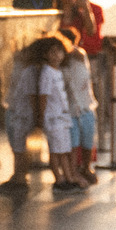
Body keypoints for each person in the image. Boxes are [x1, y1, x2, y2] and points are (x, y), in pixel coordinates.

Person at [0, 39, 45, 191]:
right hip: (14, 110)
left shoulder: (30, 72)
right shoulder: (19, 65)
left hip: (22, 114)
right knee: (16, 147)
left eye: (26, 51)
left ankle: (20, 177)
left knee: (19, 148)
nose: (21, 53)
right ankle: (18, 175)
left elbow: (32, 96)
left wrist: (37, 116)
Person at [37, 35, 86, 189]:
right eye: (53, 52)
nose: (57, 55)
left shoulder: (57, 72)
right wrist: (41, 116)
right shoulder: (47, 73)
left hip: (62, 117)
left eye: (59, 52)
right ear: (45, 55)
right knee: (55, 151)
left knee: (64, 150)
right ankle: (58, 178)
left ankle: (68, 177)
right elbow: (43, 97)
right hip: (53, 118)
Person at [62, 31, 98, 185]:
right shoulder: (61, 65)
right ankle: (74, 170)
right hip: (71, 109)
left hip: (86, 106)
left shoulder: (80, 56)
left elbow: (76, 52)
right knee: (73, 142)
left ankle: (86, 167)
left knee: (87, 141)